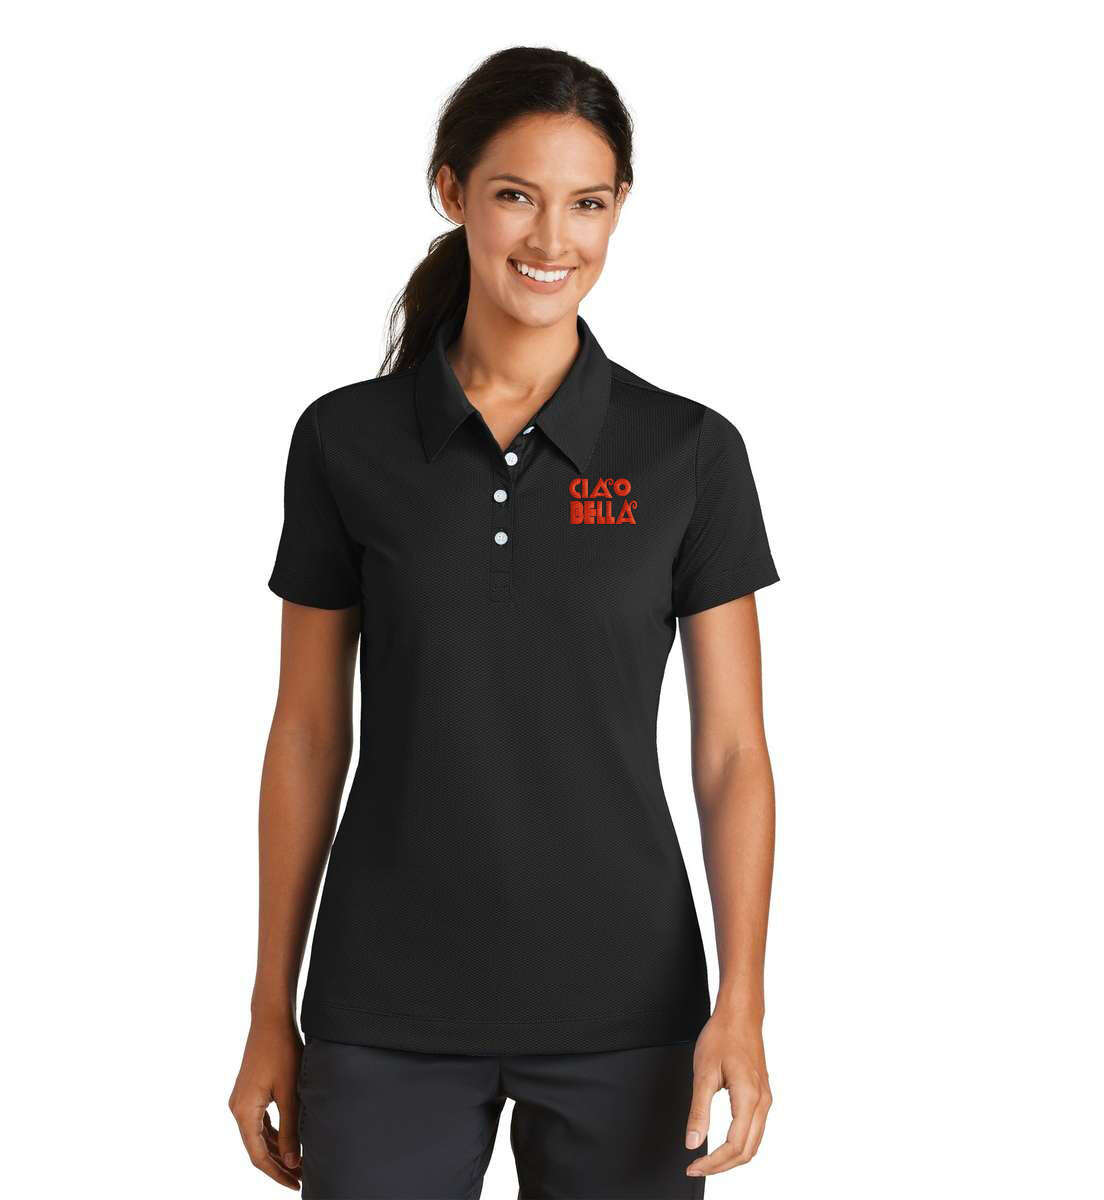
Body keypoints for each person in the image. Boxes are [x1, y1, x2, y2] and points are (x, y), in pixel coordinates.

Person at [229, 45, 779, 1199]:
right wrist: (270, 1009)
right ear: (452, 192)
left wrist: (741, 1003)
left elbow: (732, 752)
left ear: (620, 208)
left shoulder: (689, 454)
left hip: (631, 1016)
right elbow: (308, 736)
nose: (552, 238)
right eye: (517, 195)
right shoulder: (343, 443)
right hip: (383, 1010)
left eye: (588, 203)